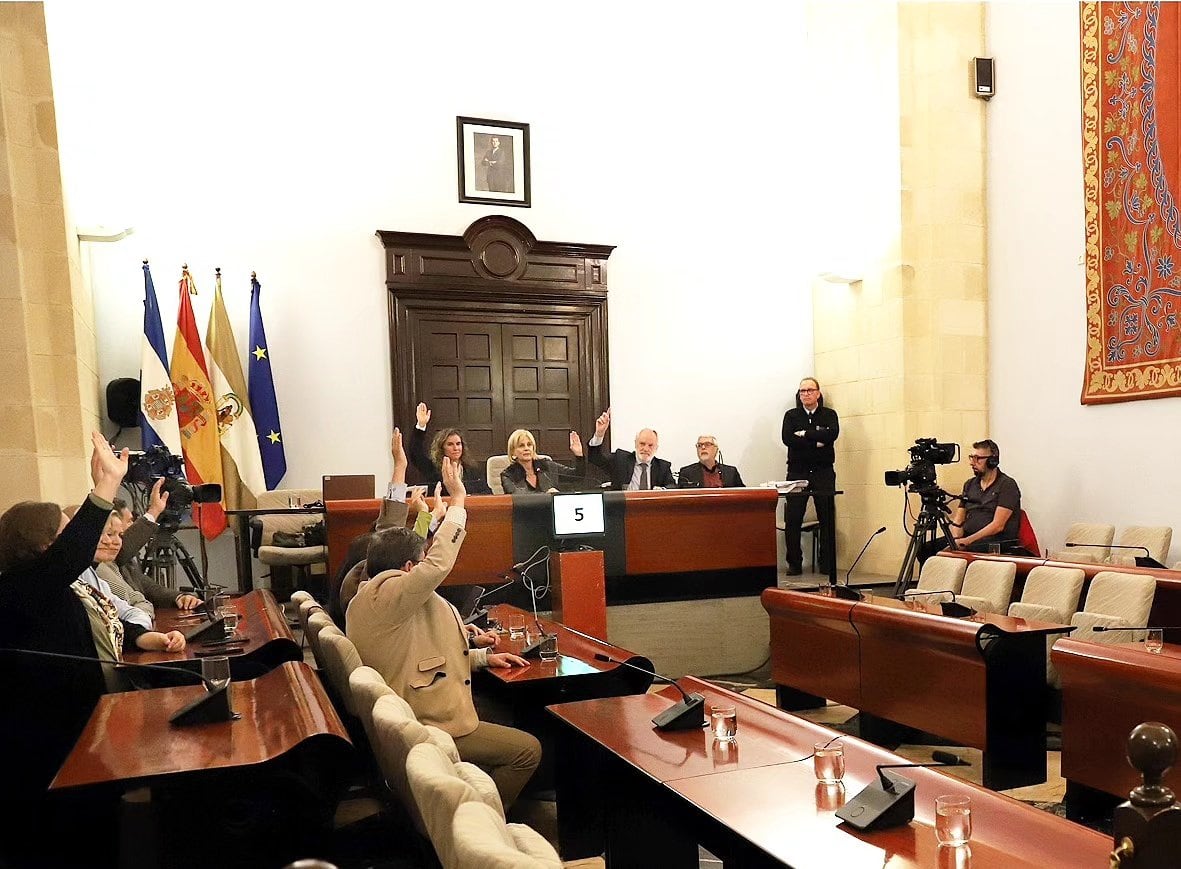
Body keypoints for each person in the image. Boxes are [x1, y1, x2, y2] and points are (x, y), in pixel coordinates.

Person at [0, 433, 181, 866]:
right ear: (42, 547)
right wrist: (103, 489)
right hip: (44, 751)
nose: (77, 543)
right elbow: (71, 555)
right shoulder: (18, 589)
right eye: (64, 535)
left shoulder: (47, 585)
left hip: (81, 733)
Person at [347, 455, 540, 808]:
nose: (424, 567)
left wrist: (481, 656)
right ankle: (479, 822)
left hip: (418, 702)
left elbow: (418, 648)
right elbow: (436, 562)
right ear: (409, 568)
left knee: (507, 713)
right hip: (428, 721)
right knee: (529, 749)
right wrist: (458, 501)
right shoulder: (389, 593)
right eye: (419, 562)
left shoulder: (371, 588)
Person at [781, 378, 840, 576]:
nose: (805, 394)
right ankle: (795, 563)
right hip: (797, 471)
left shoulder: (829, 415)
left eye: (809, 390)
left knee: (827, 517)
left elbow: (832, 435)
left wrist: (804, 434)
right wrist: (816, 441)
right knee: (793, 517)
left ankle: (826, 563)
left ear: (818, 393)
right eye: (802, 391)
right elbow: (788, 439)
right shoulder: (791, 416)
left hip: (823, 471)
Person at [950, 439, 1022, 552]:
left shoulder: (1007, 485)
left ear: (992, 460)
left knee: (969, 549)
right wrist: (956, 539)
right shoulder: (969, 484)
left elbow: (998, 525)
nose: (972, 463)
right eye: (971, 457)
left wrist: (967, 541)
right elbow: (958, 520)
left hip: (995, 540)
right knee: (927, 548)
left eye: (978, 458)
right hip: (969, 538)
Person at [408, 402, 493, 496]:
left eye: (458, 444)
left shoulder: (473, 470)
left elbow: (488, 493)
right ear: (442, 447)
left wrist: (470, 497)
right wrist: (421, 426)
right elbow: (415, 452)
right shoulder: (432, 468)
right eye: (450, 444)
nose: (456, 448)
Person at [585, 409, 676, 490]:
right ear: (635, 444)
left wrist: (662, 490)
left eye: (650, 445)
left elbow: (673, 486)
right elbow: (596, 458)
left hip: (651, 508)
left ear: (656, 448)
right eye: (642, 444)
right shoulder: (621, 460)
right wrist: (599, 434)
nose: (646, 448)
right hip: (623, 507)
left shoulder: (662, 467)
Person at [499, 429, 587, 493]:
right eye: (521, 446)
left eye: (529, 445)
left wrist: (579, 455)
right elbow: (517, 499)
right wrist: (546, 496)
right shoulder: (508, 475)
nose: (526, 448)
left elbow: (577, 476)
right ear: (513, 452)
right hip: (525, 516)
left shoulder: (546, 465)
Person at [677, 435, 745, 488]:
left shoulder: (731, 472)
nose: (703, 447)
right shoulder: (686, 473)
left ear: (716, 449)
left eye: (707, 444)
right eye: (699, 445)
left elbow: (743, 495)